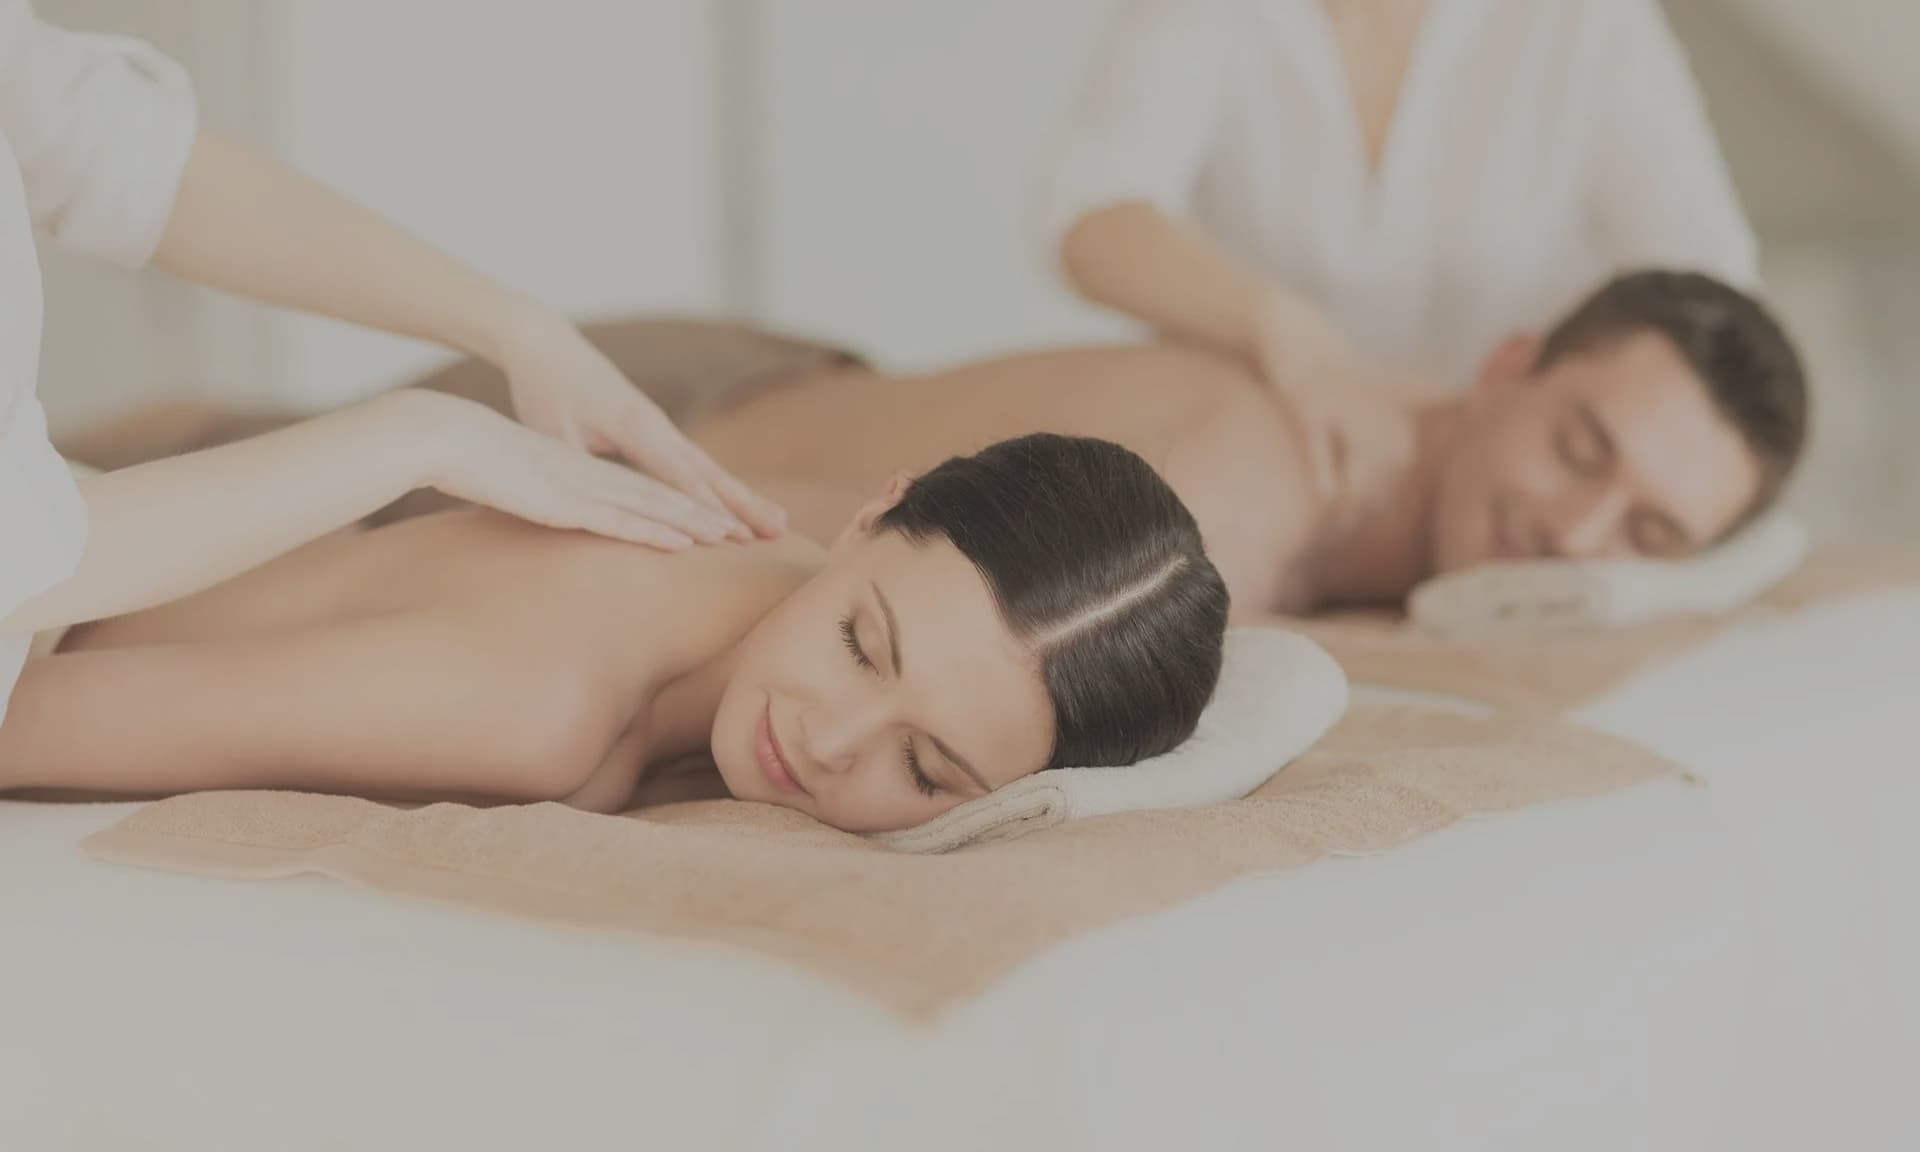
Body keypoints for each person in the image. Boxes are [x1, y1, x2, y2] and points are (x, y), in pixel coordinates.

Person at [64, 269, 1810, 625]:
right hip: (708, 413)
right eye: (1584, 439)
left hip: (797, 363)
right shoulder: (1261, 482)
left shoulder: (1389, 512)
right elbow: (893, 545)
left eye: (1647, 531)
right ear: (1504, 365)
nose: (1575, 523)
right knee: (154, 506)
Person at [0, 2, 780, 723]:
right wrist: (426, 438)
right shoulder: (545, 716)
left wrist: (525, 334)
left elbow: (109, 151)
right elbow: (32, 555)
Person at [0, 434, 1231, 835]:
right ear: (865, 519)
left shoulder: (746, 560)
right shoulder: (537, 709)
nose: (830, 738)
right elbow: (24, 715)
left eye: (927, 772)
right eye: (863, 646)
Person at [1045, 0, 1757, 501]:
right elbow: (1093, 219)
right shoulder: (1212, 13)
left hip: (1504, 487)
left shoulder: (1585, 21)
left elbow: (1712, 291)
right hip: (1287, 469)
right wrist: (1291, 333)